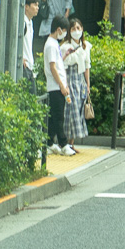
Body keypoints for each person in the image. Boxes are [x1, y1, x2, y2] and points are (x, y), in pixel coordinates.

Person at [42, 18, 73, 155]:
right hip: (56, 87)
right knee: (58, 117)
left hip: (57, 86)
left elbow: (56, 64)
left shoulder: (53, 44)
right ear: (59, 29)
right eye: (64, 31)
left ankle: (49, 143)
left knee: (54, 117)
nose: (64, 35)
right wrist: (61, 85)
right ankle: (63, 144)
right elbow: (52, 67)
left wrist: (65, 55)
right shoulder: (51, 45)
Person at [62, 19, 91, 149]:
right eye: (73, 29)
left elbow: (87, 66)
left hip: (81, 82)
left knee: (79, 111)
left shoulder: (86, 46)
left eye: (78, 28)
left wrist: (88, 85)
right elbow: (63, 65)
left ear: (82, 29)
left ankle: (71, 143)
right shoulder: (65, 47)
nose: (76, 31)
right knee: (71, 110)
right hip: (70, 80)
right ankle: (67, 143)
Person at [19, 0, 41, 85]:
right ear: (26, 7)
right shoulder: (22, 23)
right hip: (23, 65)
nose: (37, 8)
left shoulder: (30, 22)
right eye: (35, 5)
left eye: (38, 5)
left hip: (29, 65)